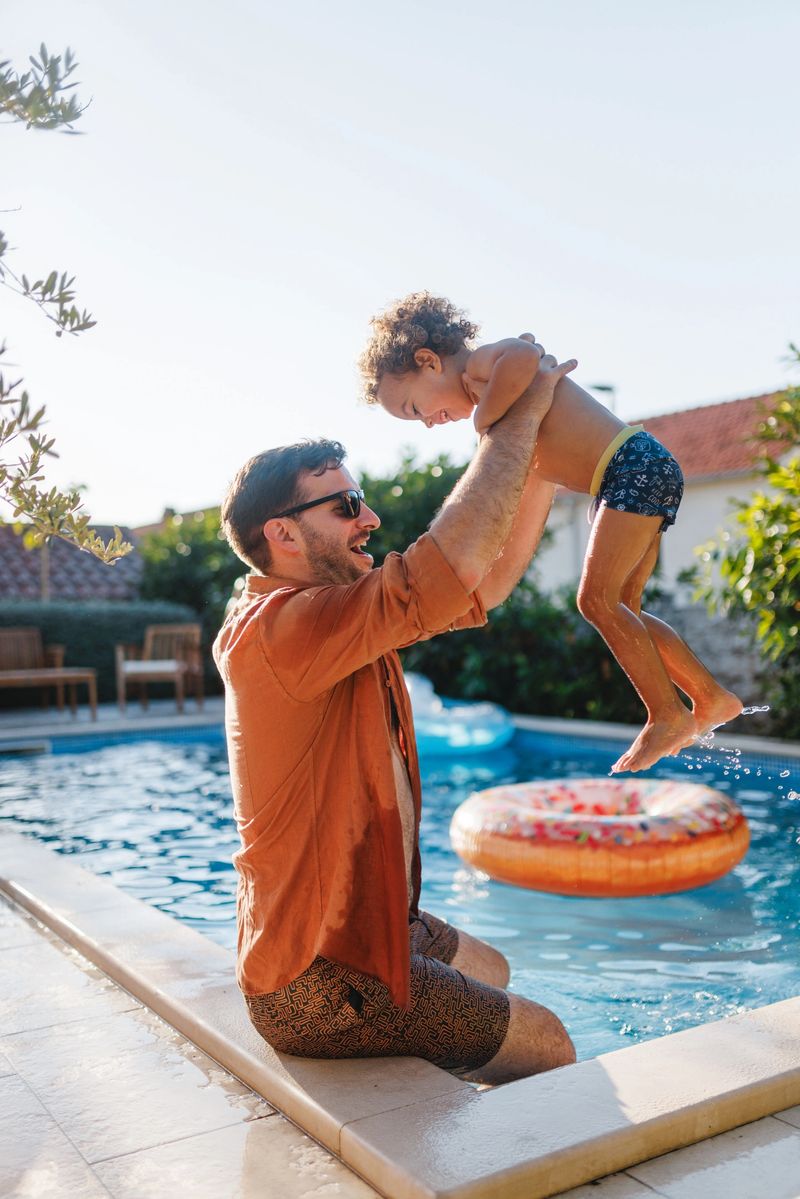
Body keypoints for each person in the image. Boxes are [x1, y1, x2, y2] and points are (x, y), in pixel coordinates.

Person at [214, 350, 576, 1084]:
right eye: (345, 506)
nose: (369, 517)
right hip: (318, 978)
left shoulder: (340, 621)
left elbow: (483, 579)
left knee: (493, 967)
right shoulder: (281, 629)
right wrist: (524, 411)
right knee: (550, 1041)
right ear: (282, 534)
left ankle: (451, 1071)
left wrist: (538, 461)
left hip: (364, 926)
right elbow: (435, 570)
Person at [359, 292, 743, 774]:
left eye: (416, 408)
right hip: (630, 473)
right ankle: (710, 698)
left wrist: (484, 420)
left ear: (428, 361)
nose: (430, 424)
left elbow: (526, 356)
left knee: (595, 601)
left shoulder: (482, 366)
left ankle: (667, 713)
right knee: (624, 606)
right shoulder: (490, 390)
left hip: (631, 467)